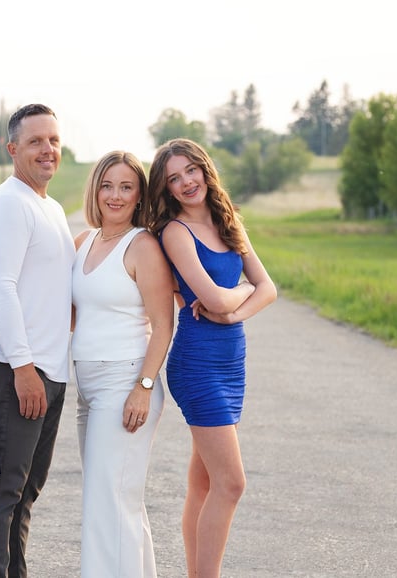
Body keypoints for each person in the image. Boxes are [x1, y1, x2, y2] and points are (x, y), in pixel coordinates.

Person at [146, 138, 277, 578]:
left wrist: (235, 305)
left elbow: (268, 288)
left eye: (190, 171)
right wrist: (238, 299)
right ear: (165, 189)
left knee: (204, 484)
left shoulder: (227, 220)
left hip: (231, 363)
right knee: (231, 483)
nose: (185, 183)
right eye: (173, 179)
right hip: (197, 364)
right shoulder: (174, 232)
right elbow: (217, 301)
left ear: (205, 169)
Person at [0, 103, 75, 578]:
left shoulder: (50, 207)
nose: (47, 149)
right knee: (3, 492)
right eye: (35, 141)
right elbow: (1, 287)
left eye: (52, 140)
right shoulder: (8, 203)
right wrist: (22, 366)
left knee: (26, 492)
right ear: (12, 149)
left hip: (50, 371)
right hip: (20, 372)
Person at [71, 151, 175, 577]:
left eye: (126, 187)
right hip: (87, 386)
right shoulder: (83, 242)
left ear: (139, 196)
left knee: (108, 501)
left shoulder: (143, 246)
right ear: (95, 189)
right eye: (107, 185)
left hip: (126, 381)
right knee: (117, 500)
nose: (115, 195)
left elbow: (163, 326)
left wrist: (143, 387)